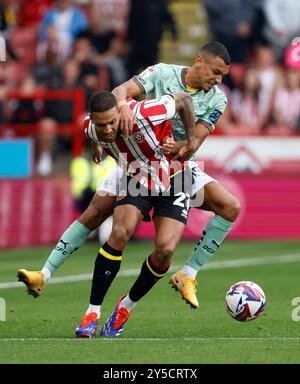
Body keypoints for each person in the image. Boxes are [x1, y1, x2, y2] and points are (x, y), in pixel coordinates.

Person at [17, 41, 240, 313]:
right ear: (199, 61)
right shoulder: (161, 73)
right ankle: (46, 275)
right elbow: (115, 96)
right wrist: (121, 105)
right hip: (136, 160)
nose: (217, 80)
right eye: (215, 72)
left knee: (224, 210)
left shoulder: (218, 98)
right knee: (96, 214)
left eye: (222, 76)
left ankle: (188, 274)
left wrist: (184, 146)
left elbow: (193, 145)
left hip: (178, 169)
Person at [19, 90, 196, 337]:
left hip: (175, 175)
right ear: (93, 120)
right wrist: (97, 147)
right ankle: (92, 312)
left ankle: (126, 306)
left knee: (165, 250)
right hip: (136, 176)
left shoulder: (144, 114)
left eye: (113, 122)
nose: (109, 129)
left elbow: (184, 100)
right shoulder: (90, 127)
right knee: (119, 232)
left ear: (119, 112)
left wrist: (190, 142)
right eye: (102, 125)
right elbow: (94, 132)